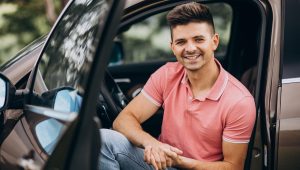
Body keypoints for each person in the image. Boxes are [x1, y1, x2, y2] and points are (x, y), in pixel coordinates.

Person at [99, 2, 256, 170]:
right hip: (162, 165)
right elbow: (123, 120)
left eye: (198, 39)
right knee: (103, 140)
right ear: (173, 47)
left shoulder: (239, 100)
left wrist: (179, 161)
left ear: (214, 41)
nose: (190, 48)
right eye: (181, 42)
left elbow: (233, 167)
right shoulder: (167, 74)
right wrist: (153, 144)